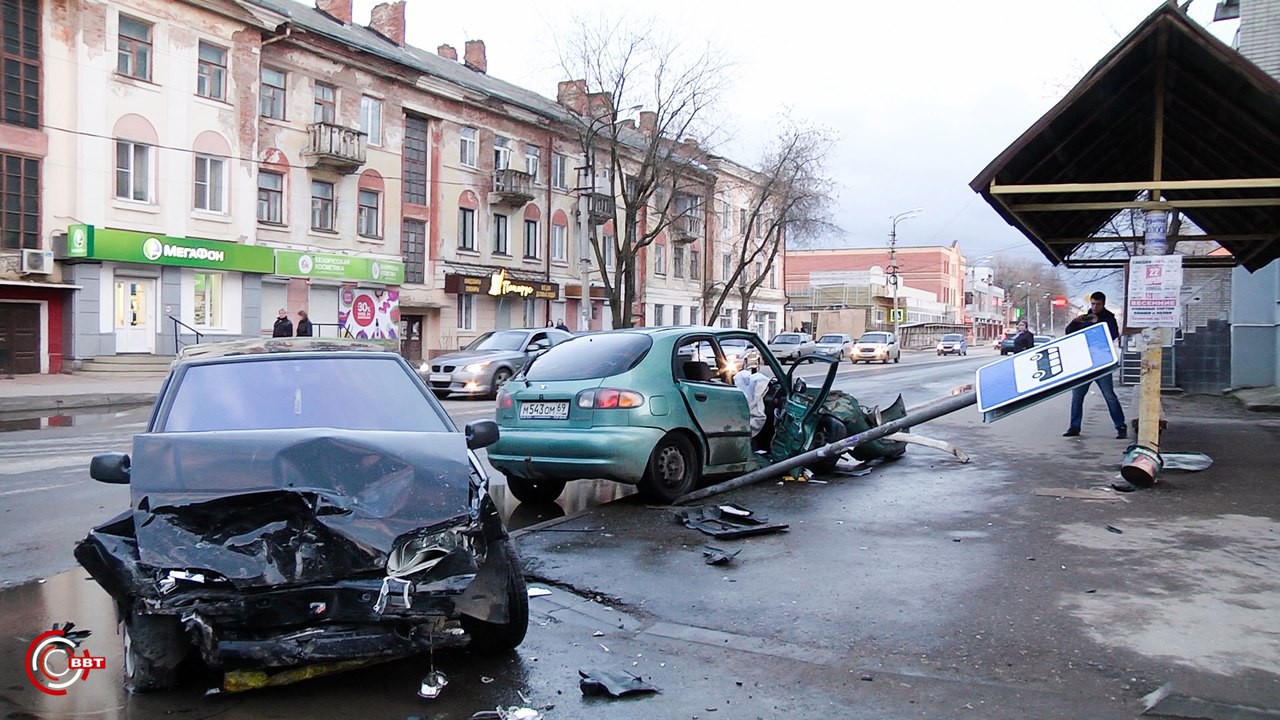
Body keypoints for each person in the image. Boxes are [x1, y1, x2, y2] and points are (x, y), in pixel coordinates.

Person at [1062, 291, 1126, 439]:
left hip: (1101, 363)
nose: (1095, 306)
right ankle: (1074, 427)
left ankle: (1120, 426)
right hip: (1085, 362)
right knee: (1077, 397)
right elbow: (1069, 332)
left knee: (1109, 396)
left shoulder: (1109, 318)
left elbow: (1113, 335)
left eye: (1098, 304)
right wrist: (1076, 321)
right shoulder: (1086, 317)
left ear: (1103, 304)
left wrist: (1098, 323)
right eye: (1093, 303)